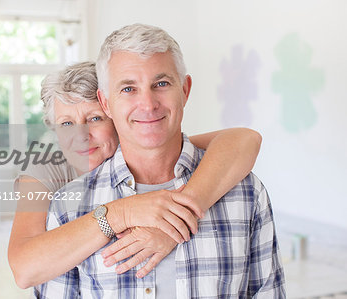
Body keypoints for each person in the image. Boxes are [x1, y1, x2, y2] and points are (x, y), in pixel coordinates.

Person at [37, 24, 285, 298]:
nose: (148, 104)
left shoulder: (245, 193)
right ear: (106, 102)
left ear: (185, 90)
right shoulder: (66, 206)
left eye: (161, 84)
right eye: (129, 88)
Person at [8, 64, 261, 289]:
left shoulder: (148, 152)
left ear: (117, 116)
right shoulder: (46, 171)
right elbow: (24, 269)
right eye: (66, 124)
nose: (81, 136)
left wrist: (175, 223)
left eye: (95, 118)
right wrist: (120, 213)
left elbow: (243, 139)